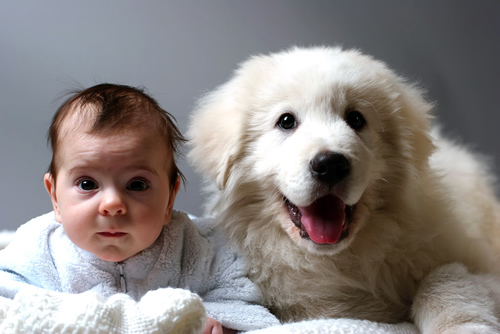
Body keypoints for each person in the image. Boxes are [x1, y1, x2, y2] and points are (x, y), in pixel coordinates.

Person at [0, 84, 279, 334]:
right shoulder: (39, 249)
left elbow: (241, 299)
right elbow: (6, 300)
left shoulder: (197, 247)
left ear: (170, 200)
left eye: (136, 185)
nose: (112, 204)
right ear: (55, 199)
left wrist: (217, 322)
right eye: (87, 184)